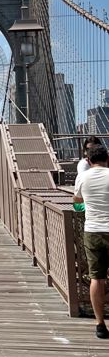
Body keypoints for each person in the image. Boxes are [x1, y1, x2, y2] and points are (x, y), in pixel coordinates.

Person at [74, 145, 109, 339]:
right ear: (108, 159)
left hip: (93, 231)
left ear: (88, 161)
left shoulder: (82, 178)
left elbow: (77, 204)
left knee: (97, 278)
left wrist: (89, 206)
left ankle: (100, 325)